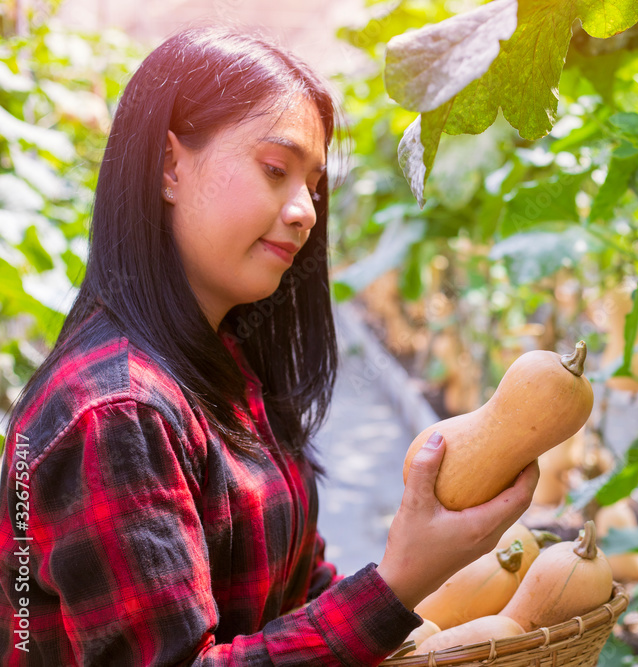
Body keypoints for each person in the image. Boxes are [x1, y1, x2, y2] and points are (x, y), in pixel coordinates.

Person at [0, 26, 538, 666]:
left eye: (312, 185)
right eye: (276, 169)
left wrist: (399, 599)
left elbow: (294, 590)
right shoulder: (116, 414)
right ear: (170, 166)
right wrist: (398, 582)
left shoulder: (227, 361)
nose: (307, 211)